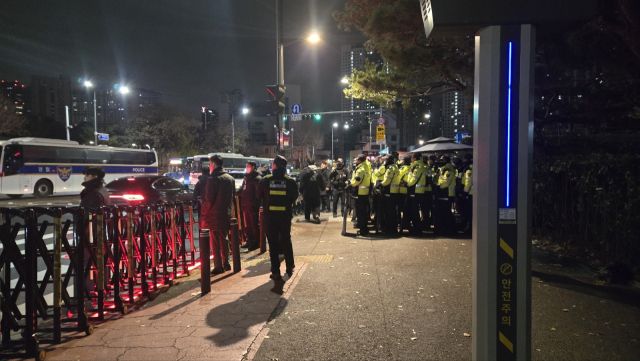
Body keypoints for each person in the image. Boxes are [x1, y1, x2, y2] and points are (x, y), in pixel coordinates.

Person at [256, 155, 298, 280]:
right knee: (286, 240)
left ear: (275, 165)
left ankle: (275, 271)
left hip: (270, 217)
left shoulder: (266, 180)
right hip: (285, 216)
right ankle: (290, 266)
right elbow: (294, 197)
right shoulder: (290, 181)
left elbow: (258, 195)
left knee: (273, 243)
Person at [201, 155, 236, 275]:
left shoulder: (212, 180)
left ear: (214, 165)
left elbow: (209, 200)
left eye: (210, 164)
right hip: (226, 214)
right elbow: (232, 198)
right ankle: (226, 263)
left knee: (215, 242)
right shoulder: (230, 179)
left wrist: (203, 212)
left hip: (213, 216)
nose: (209, 167)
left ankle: (218, 266)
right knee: (224, 239)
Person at [237, 161, 262, 251]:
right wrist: (235, 192)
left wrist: (255, 203)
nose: (246, 168)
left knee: (254, 224)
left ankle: (257, 242)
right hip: (246, 204)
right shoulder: (247, 177)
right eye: (246, 166)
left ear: (253, 167)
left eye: (248, 166)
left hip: (253, 205)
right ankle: (250, 240)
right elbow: (243, 189)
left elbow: (258, 193)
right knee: (248, 225)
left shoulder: (256, 178)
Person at [404, 152, 428, 236]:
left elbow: (413, 179)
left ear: (414, 158)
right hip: (417, 191)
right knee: (414, 211)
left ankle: (417, 229)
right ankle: (416, 228)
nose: (411, 159)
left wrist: (407, 184)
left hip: (416, 191)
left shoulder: (418, 167)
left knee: (415, 211)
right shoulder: (417, 166)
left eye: (412, 157)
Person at [350, 154, 371, 236]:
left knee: (361, 213)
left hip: (360, 193)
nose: (356, 161)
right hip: (364, 193)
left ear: (360, 160)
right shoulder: (366, 167)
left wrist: (351, 184)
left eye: (357, 160)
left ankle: (363, 231)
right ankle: (364, 229)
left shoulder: (360, 169)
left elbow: (357, 180)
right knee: (363, 212)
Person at [435, 155, 456, 236]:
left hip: (447, 193)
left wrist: (439, 186)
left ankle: (451, 228)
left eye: (441, 160)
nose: (439, 162)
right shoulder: (443, 170)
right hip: (443, 193)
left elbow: (446, 183)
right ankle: (446, 228)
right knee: (443, 212)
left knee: (447, 212)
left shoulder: (448, 171)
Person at [379, 156, 399, 235]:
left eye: (385, 160)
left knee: (389, 212)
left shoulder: (390, 168)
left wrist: (380, 184)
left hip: (389, 192)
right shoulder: (395, 167)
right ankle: (393, 228)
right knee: (393, 211)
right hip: (394, 192)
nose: (384, 161)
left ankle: (390, 229)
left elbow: (387, 181)